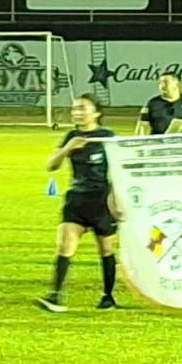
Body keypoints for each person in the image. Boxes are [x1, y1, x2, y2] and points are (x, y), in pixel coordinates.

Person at [36, 95, 118, 312]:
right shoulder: (72, 136)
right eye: (74, 109)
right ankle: (55, 296)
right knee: (64, 246)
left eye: (82, 108)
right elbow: (51, 166)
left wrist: (114, 200)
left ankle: (108, 297)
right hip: (76, 199)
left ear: (96, 113)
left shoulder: (107, 137)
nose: (77, 112)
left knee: (106, 250)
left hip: (101, 200)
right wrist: (67, 149)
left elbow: (120, 171)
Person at [135, 71, 182, 135]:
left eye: (165, 82)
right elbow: (142, 126)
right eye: (160, 82)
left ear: (176, 84)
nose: (162, 85)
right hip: (159, 143)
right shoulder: (152, 103)